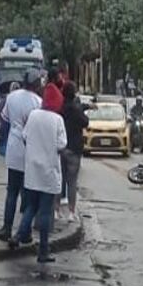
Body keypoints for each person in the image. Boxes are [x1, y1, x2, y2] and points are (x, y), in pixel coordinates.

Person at [9, 83, 67, 264]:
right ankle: (43, 251)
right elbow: (61, 145)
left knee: (30, 207)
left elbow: (25, 137)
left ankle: (18, 236)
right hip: (48, 172)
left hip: (32, 170)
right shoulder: (57, 120)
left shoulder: (33, 116)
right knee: (44, 211)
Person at [0, 69, 42, 242]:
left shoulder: (12, 97)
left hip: (14, 147)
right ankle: (24, 231)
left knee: (11, 191)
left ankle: (6, 227)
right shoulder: (38, 102)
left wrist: (2, 143)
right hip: (30, 150)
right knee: (27, 194)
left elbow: (4, 121)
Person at [59, 81, 88, 223]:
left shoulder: (60, 108)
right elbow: (85, 122)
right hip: (74, 149)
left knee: (59, 180)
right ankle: (71, 212)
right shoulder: (76, 110)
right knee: (72, 182)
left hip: (60, 147)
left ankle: (55, 210)